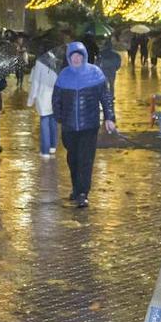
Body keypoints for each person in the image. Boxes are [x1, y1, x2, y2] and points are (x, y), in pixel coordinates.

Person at [52, 42, 116, 209]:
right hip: (69, 127)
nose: (77, 58)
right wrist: (60, 117)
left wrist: (110, 118)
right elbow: (56, 99)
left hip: (89, 126)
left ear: (84, 56)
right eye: (73, 55)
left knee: (85, 159)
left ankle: (83, 193)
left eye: (79, 55)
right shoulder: (64, 76)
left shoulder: (95, 74)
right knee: (73, 159)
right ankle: (76, 187)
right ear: (69, 57)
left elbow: (105, 97)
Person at [26, 56, 58, 159]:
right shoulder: (57, 61)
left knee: (44, 121)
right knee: (53, 121)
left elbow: (35, 82)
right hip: (55, 95)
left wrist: (31, 100)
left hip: (43, 95)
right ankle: (53, 146)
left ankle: (45, 151)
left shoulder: (39, 63)